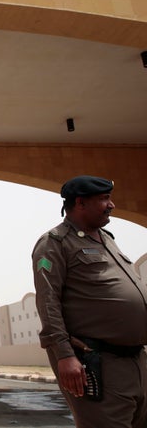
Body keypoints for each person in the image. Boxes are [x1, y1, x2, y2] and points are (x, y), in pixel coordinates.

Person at [32, 175, 147, 428]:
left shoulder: (107, 239)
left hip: (137, 361)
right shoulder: (55, 243)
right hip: (98, 363)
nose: (112, 205)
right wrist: (64, 355)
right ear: (81, 203)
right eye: (104, 199)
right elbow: (48, 302)